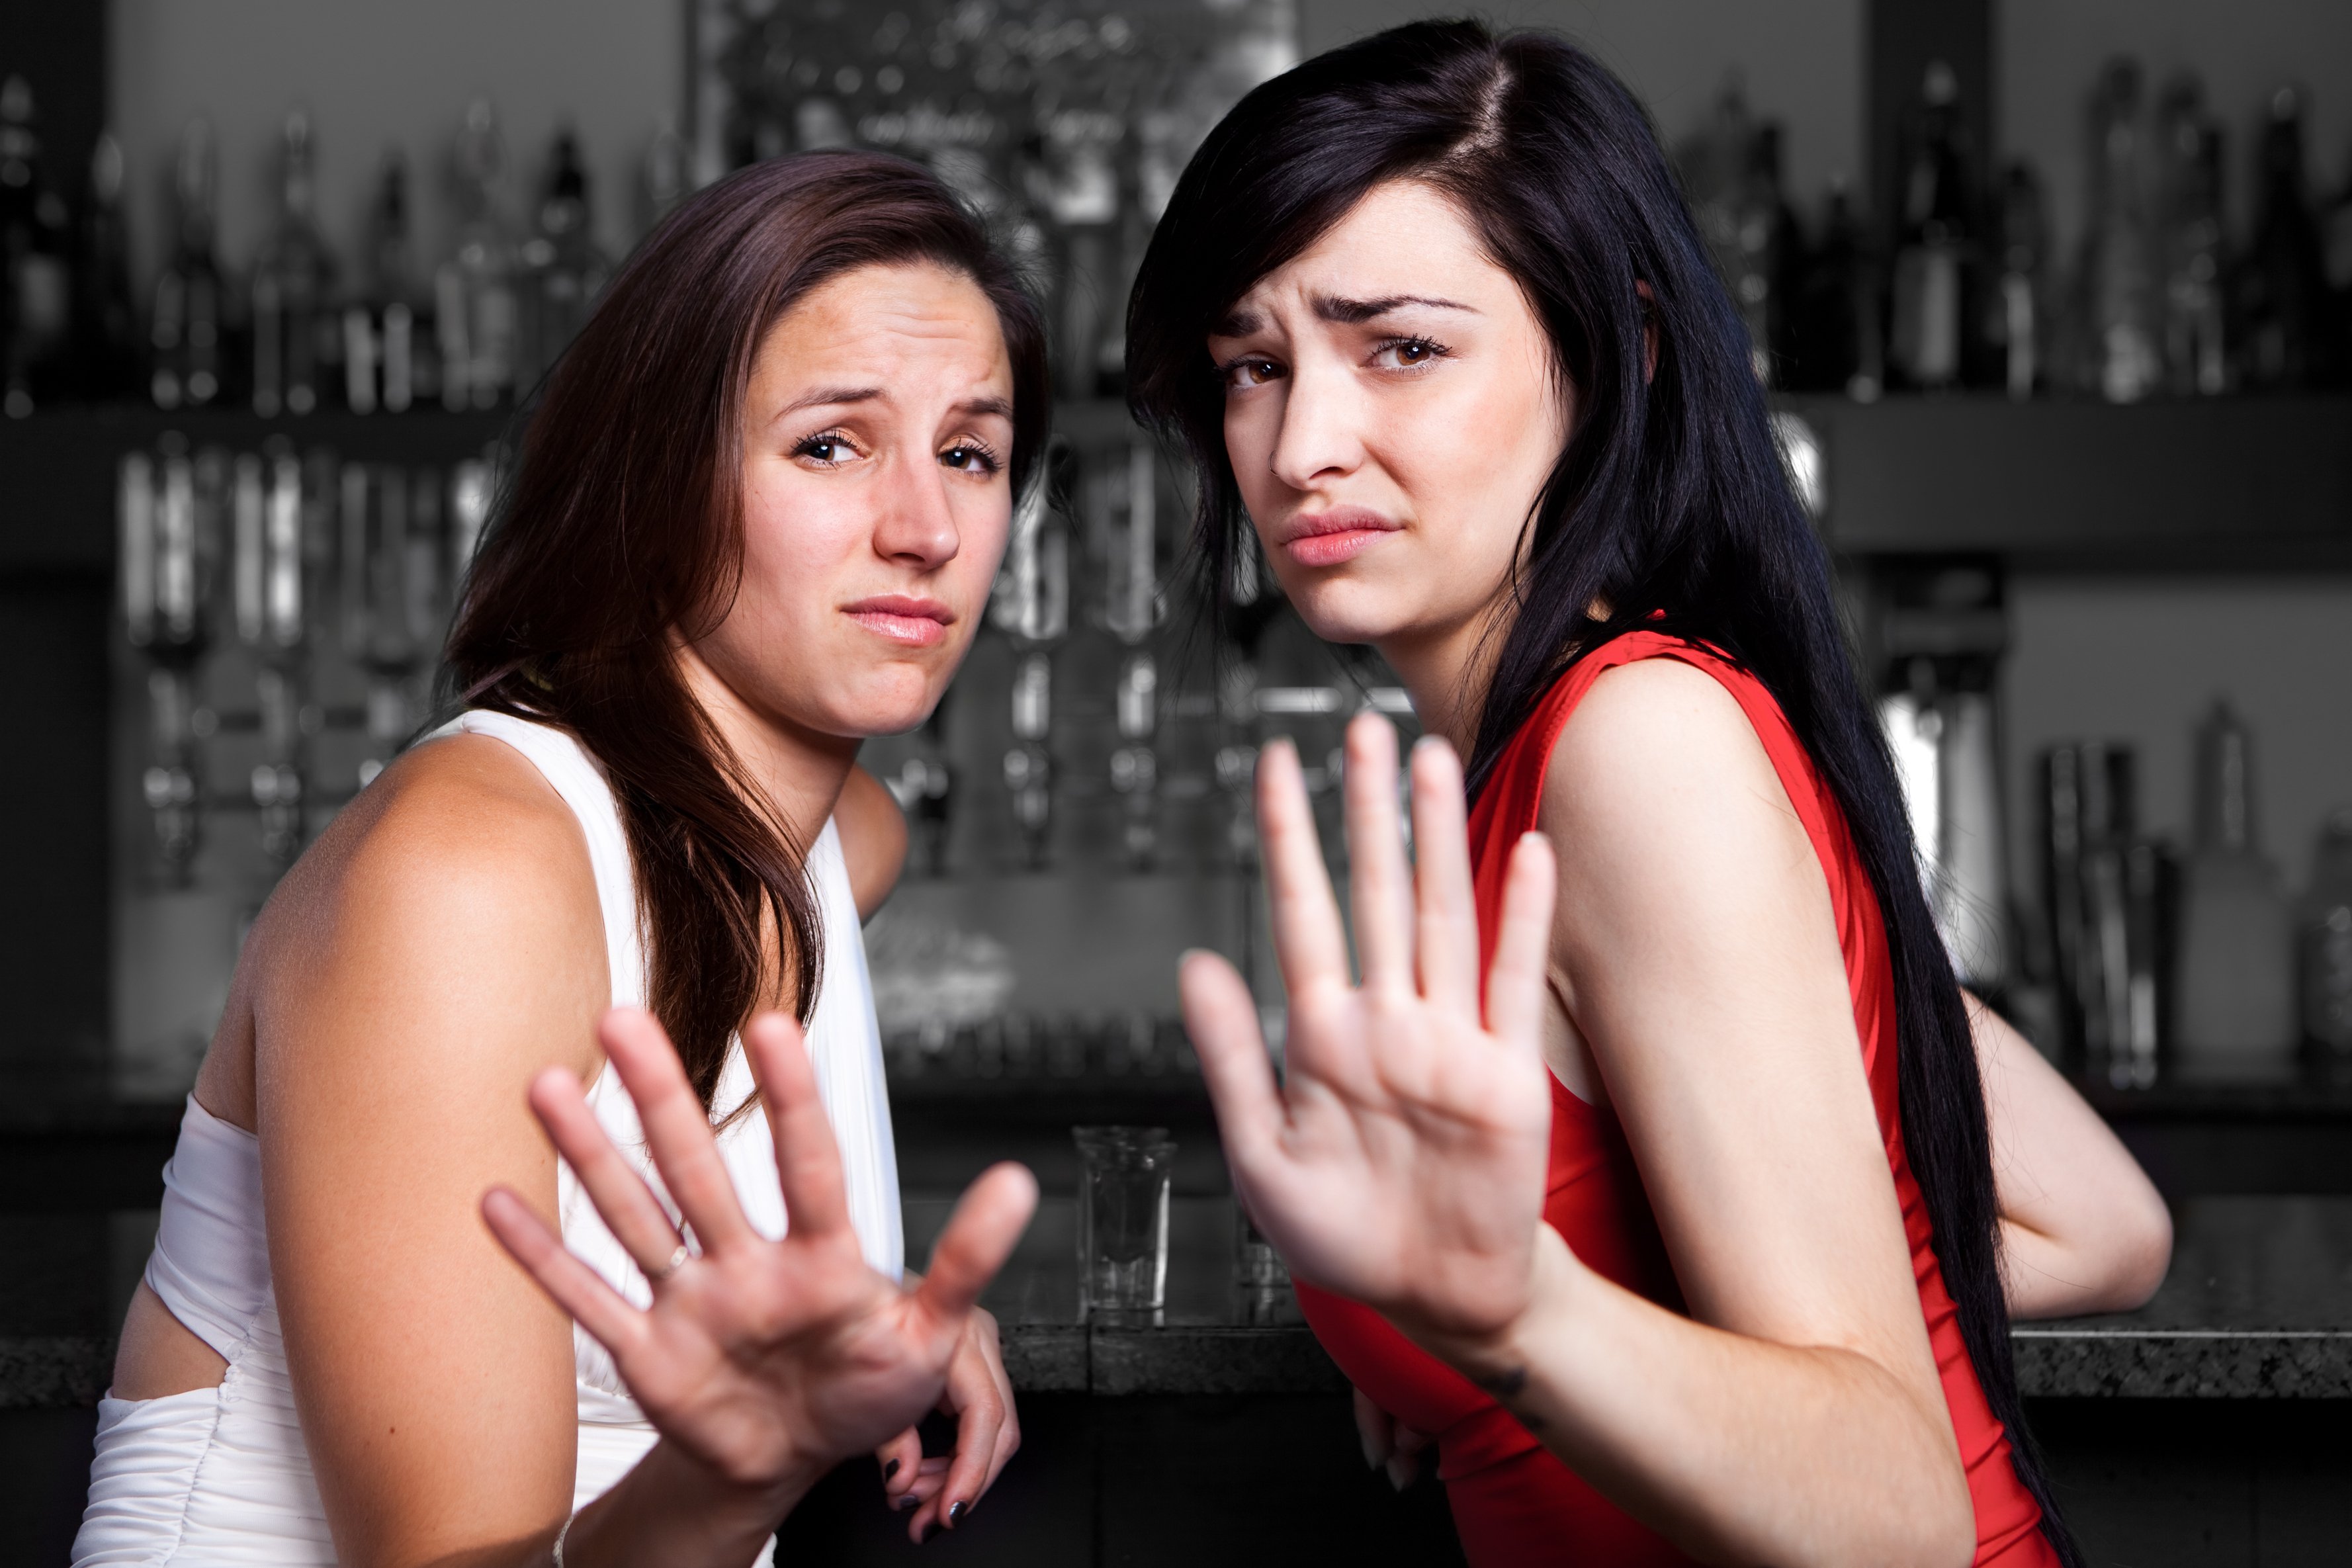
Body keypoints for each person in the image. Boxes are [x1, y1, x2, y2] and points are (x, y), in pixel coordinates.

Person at [1129, 22, 2171, 1567]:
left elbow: (1895, 1515)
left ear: (1614, 351)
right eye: (1252, 368)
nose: (1298, 445)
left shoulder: (1636, 750)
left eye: (1398, 348)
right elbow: (2099, 1222)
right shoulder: (1576, 746)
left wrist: (1521, 1324)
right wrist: (1602, 1353)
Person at [75, 150, 1047, 1567]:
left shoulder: (835, 842)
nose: (925, 530)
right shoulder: (469, 877)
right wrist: (740, 1469)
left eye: (969, 451)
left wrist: (865, 1311)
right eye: (830, 444)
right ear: (657, 483)